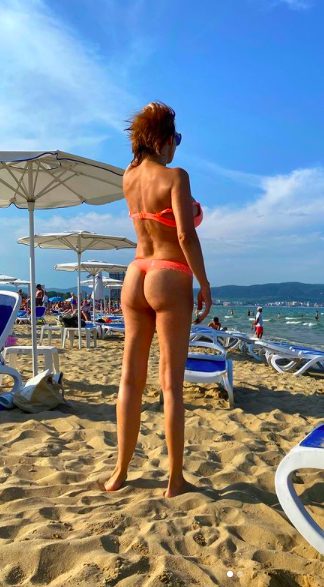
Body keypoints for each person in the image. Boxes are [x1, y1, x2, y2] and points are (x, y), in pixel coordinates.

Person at [104, 102, 211, 498]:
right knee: (170, 384)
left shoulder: (128, 177)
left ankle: (119, 472)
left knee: (130, 379)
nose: (176, 146)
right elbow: (185, 236)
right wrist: (204, 283)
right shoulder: (176, 176)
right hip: (169, 273)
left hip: (136, 273)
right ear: (163, 139)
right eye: (176, 138)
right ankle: (175, 480)